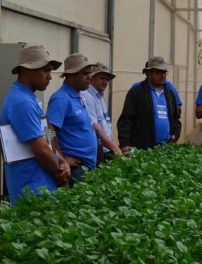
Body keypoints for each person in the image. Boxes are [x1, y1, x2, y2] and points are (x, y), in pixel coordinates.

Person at [0, 44, 70, 206]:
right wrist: (59, 174)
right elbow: (40, 148)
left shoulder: (31, 99)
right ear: (27, 70)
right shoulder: (22, 102)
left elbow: (47, 131)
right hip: (32, 190)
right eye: (45, 70)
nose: (50, 76)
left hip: (42, 186)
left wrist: (61, 159)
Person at [47, 53, 98, 186]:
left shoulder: (78, 96)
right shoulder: (61, 98)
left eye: (90, 73)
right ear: (71, 75)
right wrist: (59, 158)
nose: (89, 77)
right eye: (85, 74)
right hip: (76, 170)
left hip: (86, 167)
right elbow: (47, 130)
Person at [117, 56, 181, 152]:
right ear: (148, 73)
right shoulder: (137, 91)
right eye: (158, 72)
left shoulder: (169, 93)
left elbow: (176, 118)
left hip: (166, 148)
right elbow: (126, 119)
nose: (162, 75)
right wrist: (124, 144)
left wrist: (175, 134)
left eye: (164, 72)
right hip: (142, 148)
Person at [81, 62, 122, 159]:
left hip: (103, 151)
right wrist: (57, 157)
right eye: (102, 78)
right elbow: (49, 129)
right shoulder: (84, 96)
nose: (105, 82)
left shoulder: (99, 96)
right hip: (90, 154)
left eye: (107, 79)